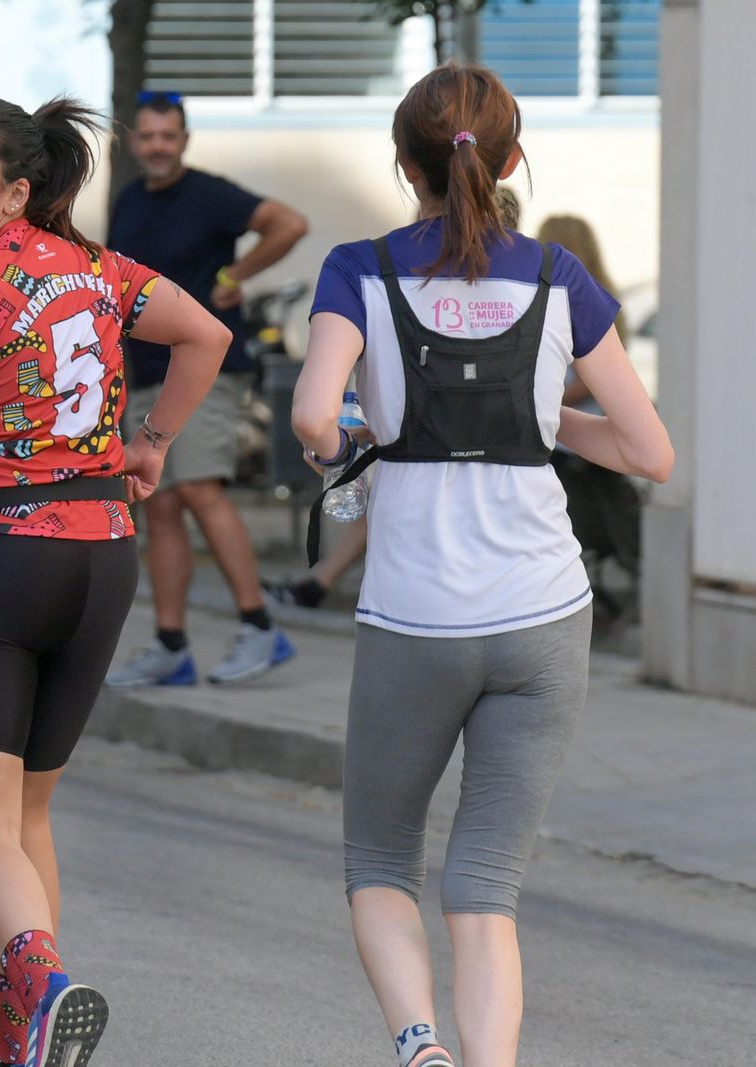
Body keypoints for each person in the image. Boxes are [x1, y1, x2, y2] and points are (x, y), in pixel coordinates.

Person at [291, 63, 672, 1067]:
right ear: (509, 160)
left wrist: (345, 443)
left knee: (378, 859)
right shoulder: (560, 278)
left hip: (416, 615)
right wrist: (544, 421)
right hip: (542, 613)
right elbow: (650, 452)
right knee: (485, 883)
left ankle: (421, 1048)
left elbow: (310, 414)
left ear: (401, 163)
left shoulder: (357, 270)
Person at [0, 95, 228, 1067]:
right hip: (100, 555)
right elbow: (206, 335)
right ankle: (18, 1041)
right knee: (26, 815)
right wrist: (149, 442)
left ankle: (45, 984)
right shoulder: (98, 269)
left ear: (16, 189)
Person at [104, 91, 310, 687]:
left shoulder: (210, 194)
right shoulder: (128, 201)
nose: (158, 146)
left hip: (204, 371)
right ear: (135, 143)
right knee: (159, 504)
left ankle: (260, 627)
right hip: (144, 374)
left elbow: (289, 224)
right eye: (147, 137)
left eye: (168, 136)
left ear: (185, 140)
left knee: (198, 489)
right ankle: (171, 645)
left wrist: (235, 276)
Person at [264, 185, 524, 612]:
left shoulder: (385, 285)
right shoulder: (538, 291)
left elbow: (314, 419)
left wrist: (339, 451)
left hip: (415, 564)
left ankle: (319, 581)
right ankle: (319, 581)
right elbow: (651, 456)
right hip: (522, 572)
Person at [536, 213, 643, 623]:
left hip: (570, 439)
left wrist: (535, 397)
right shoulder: (605, 298)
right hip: (594, 437)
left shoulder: (567, 295)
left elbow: (585, 381)